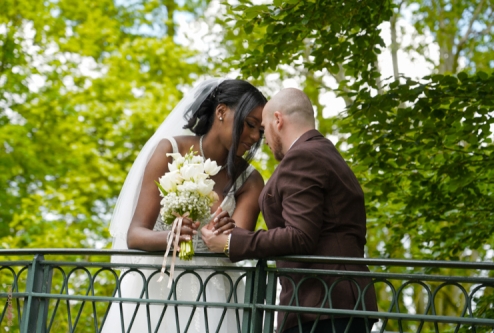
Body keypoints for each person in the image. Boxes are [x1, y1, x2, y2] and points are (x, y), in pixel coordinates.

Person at [202, 88, 378, 333]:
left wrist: (231, 242)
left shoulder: (303, 157)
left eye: (264, 128)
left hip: (323, 306)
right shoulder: (324, 152)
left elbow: (299, 236)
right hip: (337, 303)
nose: (261, 139)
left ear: (278, 120)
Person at [103, 78, 267, 333]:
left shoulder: (252, 181)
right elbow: (135, 235)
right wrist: (171, 238)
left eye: (261, 131)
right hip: (157, 289)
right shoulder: (170, 150)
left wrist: (228, 235)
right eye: (250, 124)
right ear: (221, 111)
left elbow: (238, 247)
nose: (256, 136)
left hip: (216, 294)